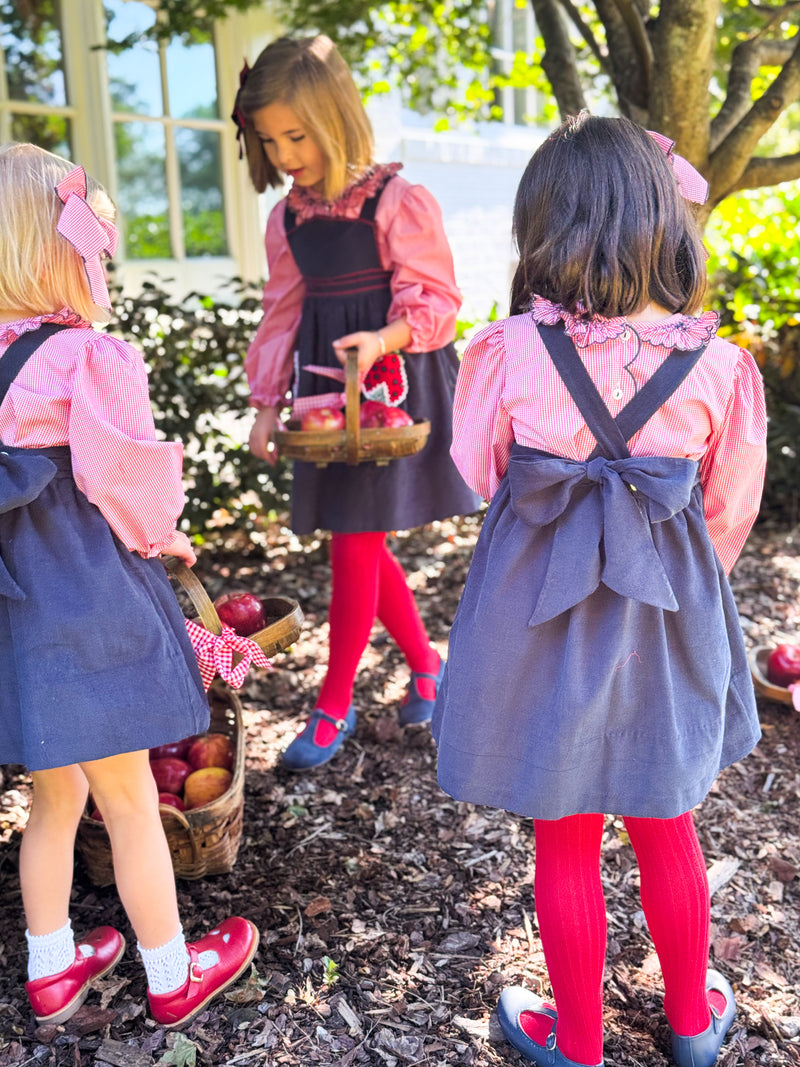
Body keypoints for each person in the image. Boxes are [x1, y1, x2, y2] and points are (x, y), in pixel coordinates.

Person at [431, 114, 767, 1067]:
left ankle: (577, 1043)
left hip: (542, 610)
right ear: (664, 222)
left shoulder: (506, 352)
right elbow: (728, 513)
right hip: (664, 614)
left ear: (545, 228)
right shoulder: (721, 368)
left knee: (566, 828)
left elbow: (480, 470)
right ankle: (693, 1029)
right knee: (667, 816)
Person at [0, 143, 259, 1029]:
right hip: (84, 603)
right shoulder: (84, 359)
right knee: (127, 798)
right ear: (64, 250)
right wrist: (165, 540)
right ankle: (172, 969)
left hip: (16, 612)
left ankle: (51, 967)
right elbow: (127, 477)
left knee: (53, 796)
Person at [232, 35, 480, 771]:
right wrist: (267, 402)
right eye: (270, 140)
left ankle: (333, 699)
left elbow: (435, 302)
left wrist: (384, 338)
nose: (283, 154)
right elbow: (282, 310)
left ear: (336, 117)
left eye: (296, 136)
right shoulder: (290, 219)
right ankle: (428, 664)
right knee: (358, 533)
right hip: (323, 388)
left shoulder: (396, 200)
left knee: (353, 539)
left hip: (389, 383)